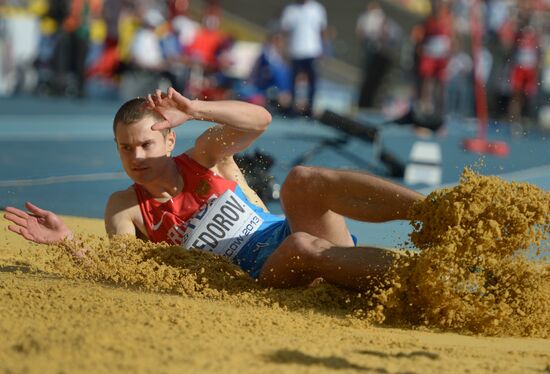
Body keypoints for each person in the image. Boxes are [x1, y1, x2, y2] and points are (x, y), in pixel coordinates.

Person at [4, 88, 423, 291]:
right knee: (300, 246)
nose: (137, 156)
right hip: (269, 274)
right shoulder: (125, 208)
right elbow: (123, 269)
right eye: (125, 147)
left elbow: (260, 121)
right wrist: (68, 243)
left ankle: (434, 212)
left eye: (147, 143)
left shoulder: (205, 156)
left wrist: (197, 110)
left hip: (297, 234)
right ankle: (420, 280)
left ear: (169, 140)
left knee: (301, 181)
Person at [280, 0, 327, 117]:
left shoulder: (317, 8)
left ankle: (309, 109)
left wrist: (324, 48)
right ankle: (292, 109)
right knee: (293, 82)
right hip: (295, 51)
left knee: (313, 82)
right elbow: (285, 32)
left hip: (312, 51)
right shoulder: (290, 10)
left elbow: (322, 30)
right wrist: (284, 49)